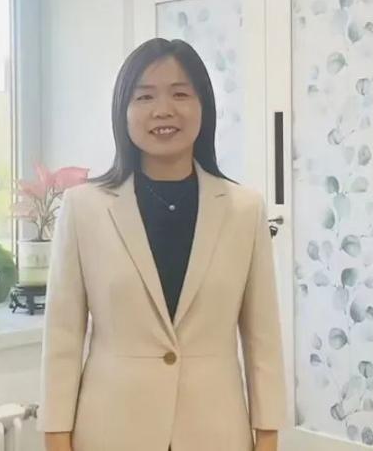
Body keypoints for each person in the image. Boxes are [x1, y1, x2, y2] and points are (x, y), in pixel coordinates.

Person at [38, 38, 286, 451]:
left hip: (215, 431)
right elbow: (62, 339)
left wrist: (268, 436)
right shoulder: (84, 208)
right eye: (145, 96)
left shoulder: (244, 209)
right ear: (123, 111)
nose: (163, 110)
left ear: (204, 107)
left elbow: (263, 339)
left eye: (180, 94)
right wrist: (56, 438)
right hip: (111, 430)